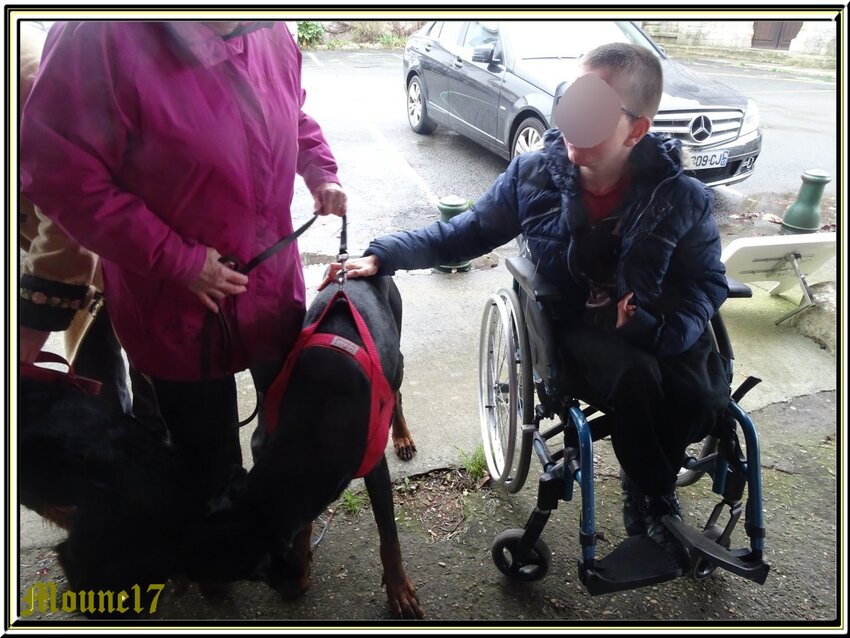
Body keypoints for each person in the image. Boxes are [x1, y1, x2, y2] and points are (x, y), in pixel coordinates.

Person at [324, 42, 729, 564]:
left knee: (700, 394)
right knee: (637, 380)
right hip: (581, 325)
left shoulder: (683, 197)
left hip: (662, 320)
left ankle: (651, 470)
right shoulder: (533, 175)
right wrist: (384, 255)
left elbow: (707, 284)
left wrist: (671, 331)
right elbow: (463, 234)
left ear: (636, 129)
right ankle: (652, 495)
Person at [20, 20, 347, 504]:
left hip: (269, 284)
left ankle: (273, 527)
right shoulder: (98, 35)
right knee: (204, 457)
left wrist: (319, 169)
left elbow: (292, 112)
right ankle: (216, 559)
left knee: (283, 425)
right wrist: (180, 261)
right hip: (172, 302)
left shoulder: (269, 29)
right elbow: (66, 178)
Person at [18, 20, 162, 430]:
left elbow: (68, 209)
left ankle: (159, 464)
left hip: (130, 237)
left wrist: (35, 322)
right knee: (97, 366)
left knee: (157, 373)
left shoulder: (22, 73)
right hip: (76, 247)